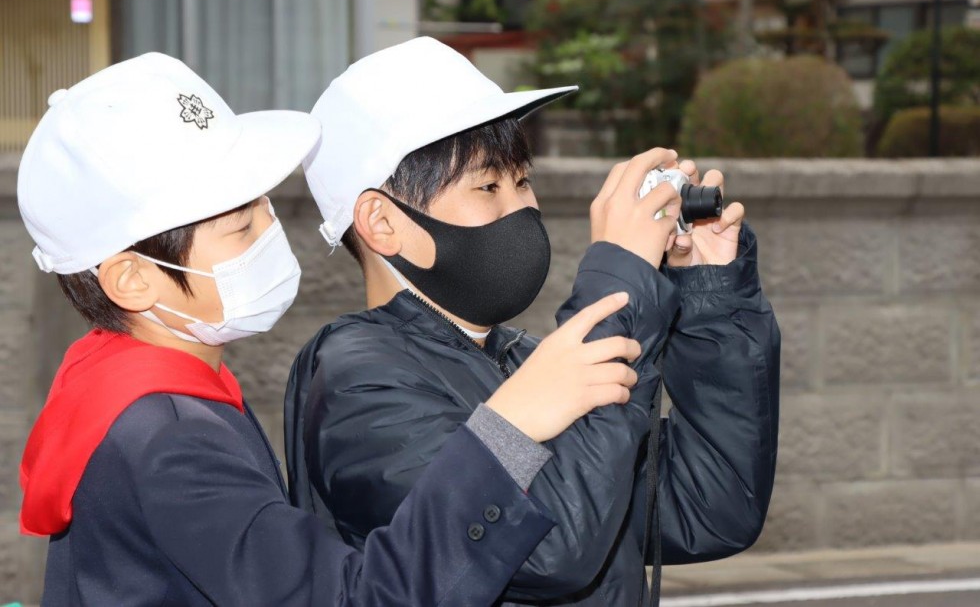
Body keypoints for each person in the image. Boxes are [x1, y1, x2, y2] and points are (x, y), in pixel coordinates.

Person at [17, 52, 644, 606]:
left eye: (264, 207)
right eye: (241, 227)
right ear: (132, 280)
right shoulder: (170, 440)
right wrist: (508, 429)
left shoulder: (141, 395)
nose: (271, 235)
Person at [287, 37, 781, 606]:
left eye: (522, 181)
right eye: (488, 186)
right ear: (381, 221)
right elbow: (550, 551)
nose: (522, 207)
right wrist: (620, 284)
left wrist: (711, 294)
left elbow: (713, 506)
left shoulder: (526, 361)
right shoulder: (359, 384)